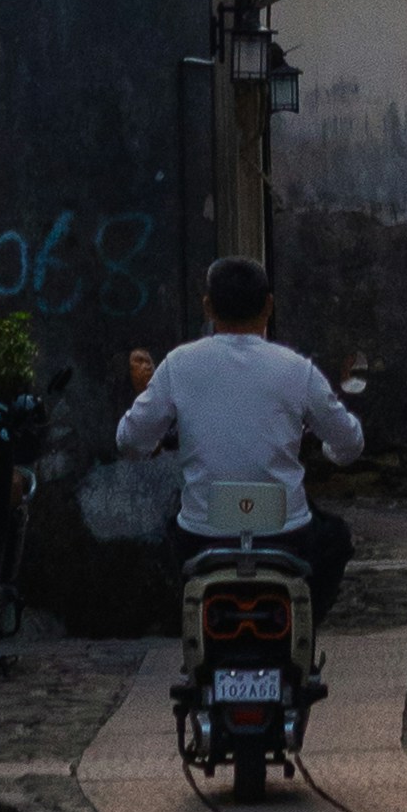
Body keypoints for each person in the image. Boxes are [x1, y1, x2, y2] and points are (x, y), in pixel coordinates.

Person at [119, 257, 368, 610]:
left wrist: (149, 445)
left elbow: (130, 438)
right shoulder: (297, 370)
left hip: (203, 535)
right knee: (336, 538)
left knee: (170, 533)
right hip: (285, 535)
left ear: (208, 307)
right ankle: (307, 632)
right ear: (269, 304)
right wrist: (332, 453)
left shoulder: (179, 364)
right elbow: (350, 441)